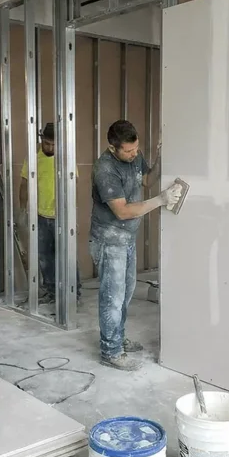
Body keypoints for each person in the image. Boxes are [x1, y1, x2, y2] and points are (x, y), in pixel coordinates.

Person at [91, 120, 181, 370]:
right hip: (109, 239)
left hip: (127, 238)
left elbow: (146, 181)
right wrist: (161, 200)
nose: (134, 154)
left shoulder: (135, 155)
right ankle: (110, 350)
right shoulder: (105, 170)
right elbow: (121, 211)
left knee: (126, 294)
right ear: (112, 148)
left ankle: (117, 337)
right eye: (128, 151)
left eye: (136, 149)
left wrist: (161, 159)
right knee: (112, 296)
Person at [19, 123, 80, 304]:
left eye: (54, 144)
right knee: (44, 256)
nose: (50, 148)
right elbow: (24, 184)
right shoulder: (32, 158)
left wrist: (72, 213)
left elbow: (73, 185)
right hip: (40, 215)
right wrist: (23, 209)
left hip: (62, 216)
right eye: (47, 143)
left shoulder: (66, 158)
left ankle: (73, 294)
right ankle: (52, 291)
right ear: (41, 140)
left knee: (67, 256)